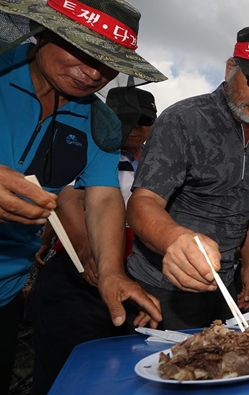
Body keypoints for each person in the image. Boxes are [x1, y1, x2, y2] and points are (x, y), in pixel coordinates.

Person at [0, 0, 165, 394]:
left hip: (6, 293)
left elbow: (104, 196)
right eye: (81, 50)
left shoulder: (100, 124)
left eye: (108, 62)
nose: (93, 72)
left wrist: (109, 271)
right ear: (44, 30)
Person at [126, 27, 249, 330]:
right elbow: (142, 202)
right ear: (232, 68)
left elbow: (246, 203)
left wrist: (247, 265)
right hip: (165, 285)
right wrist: (176, 240)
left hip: (226, 286)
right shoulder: (184, 119)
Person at [29, 87, 157, 395]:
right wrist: (89, 250)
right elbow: (68, 198)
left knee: (121, 376)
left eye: (144, 121)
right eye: (127, 120)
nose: (135, 129)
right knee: (68, 375)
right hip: (82, 274)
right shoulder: (89, 147)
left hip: (128, 278)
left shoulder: (155, 165)